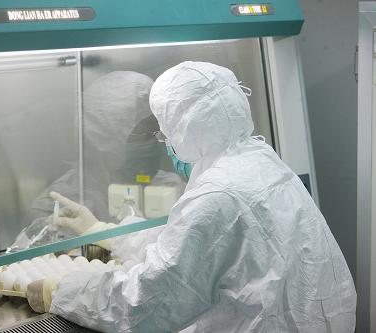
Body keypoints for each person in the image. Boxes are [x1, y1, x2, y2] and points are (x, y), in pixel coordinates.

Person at [27, 62, 356, 332]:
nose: (165, 144)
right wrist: (102, 230)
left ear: (185, 130)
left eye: (164, 133)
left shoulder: (217, 194)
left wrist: (64, 292)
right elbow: (191, 246)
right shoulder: (260, 162)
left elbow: (148, 303)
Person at [9, 71, 182, 250]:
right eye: (143, 135)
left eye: (158, 131)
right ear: (106, 138)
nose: (156, 143)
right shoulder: (60, 207)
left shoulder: (173, 188)